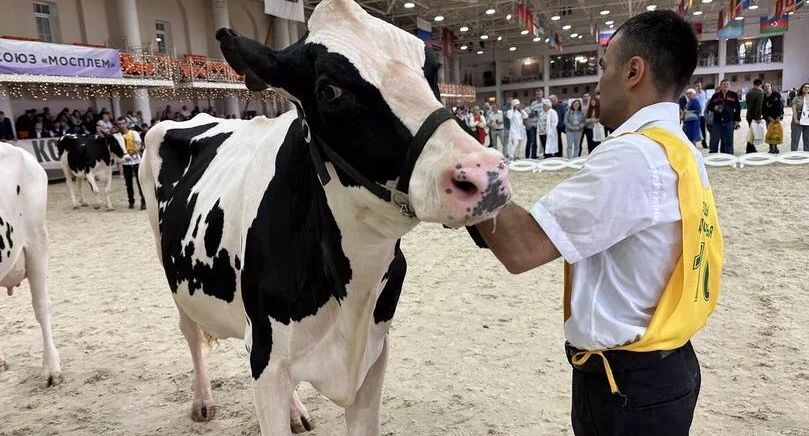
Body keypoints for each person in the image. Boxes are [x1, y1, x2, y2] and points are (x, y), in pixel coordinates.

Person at [472, 10, 720, 436]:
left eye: (603, 67)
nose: (597, 82)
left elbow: (523, 248)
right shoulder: (678, 148)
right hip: (663, 366)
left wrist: (467, 178)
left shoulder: (633, 157)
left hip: (627, 387)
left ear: (634, 71)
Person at [114, 117, 145, 210]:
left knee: (140, 183)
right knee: (128, 184)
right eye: (119, 124)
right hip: (125, 163)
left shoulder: (133, 133)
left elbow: (139, 145)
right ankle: (131, 201)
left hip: (136, 161)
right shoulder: (117, 136)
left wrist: (131, 153)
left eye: (123, 123)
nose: (122, 126)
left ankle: (143, 201)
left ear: (126, 123)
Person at [706, 79, 741, 154]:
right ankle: (713, 155)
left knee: (728, 140)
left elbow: (738, 108)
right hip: (717, 121)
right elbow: (709, 106)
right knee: (714, 139)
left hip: (729, 121)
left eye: (727, 84)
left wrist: (737, 120)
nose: (726, 86)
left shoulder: (733, 95)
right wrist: (714, 107)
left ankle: (729, 156)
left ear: (729, 85)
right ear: (721, 86)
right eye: (724, 84)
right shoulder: (715, 95)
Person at [762, 82, 784, 154]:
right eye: (765, 86)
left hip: (777, 118)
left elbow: (781, 105)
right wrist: (768, 117)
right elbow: (762, 109)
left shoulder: (776, 94)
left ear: (771, 87)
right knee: (770, 133)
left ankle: (776, 147)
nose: (767, 87)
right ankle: (771, 148)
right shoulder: (763, 96)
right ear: (763, 88)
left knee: (776, 132)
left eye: (768, 86)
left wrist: (779, 116)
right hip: (769, 118)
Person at [744, 79, 764, 153]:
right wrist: (758, 117)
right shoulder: (759, 93)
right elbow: (758, 106)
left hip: (749, 114)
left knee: (751, 132)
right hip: (755, 116)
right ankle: (750, 148)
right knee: (753, 133)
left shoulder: (749, 92)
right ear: (760, 84)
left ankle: (750, 148)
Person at [791, 82, 809, 152]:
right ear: (802, 88)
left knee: (807, 139)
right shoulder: (796, 98)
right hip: (798, 119)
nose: (807, 88)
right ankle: (793, 153)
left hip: (807, 121)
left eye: (808, 87)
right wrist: (795, 119)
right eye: (805, 87)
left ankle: (807, 154)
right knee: (795, 138)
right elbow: (794, 110)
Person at [527, 91, 543, 159]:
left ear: (542, 94)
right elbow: (529, 114)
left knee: (543, 140)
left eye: (539, 94)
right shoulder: (533, 103)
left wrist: (538, 113)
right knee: (533, 141)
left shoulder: (545, 102)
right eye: (537, 94)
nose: (538, 96)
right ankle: (534, 155)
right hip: (533, 124)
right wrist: (532, 114)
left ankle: (544, 154)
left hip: (542, 124)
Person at [694, 81, 709, 148]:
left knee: (703, 130)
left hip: (702, 115)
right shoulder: (694, 94)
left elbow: (705, 103)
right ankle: (694, 143)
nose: (698, 87)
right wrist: (696, 94)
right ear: (695, 86)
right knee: (695, 129)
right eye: (697, 86)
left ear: (701, 85)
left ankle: (704, 143)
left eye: (699, 85)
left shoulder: (704, 93)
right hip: (696, 115)